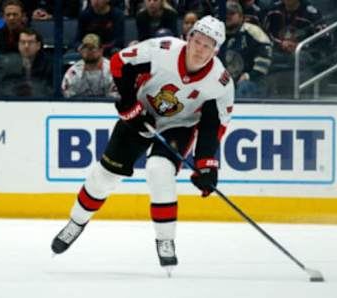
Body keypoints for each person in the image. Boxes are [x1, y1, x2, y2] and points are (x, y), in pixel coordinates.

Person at [51, 16, 234, 274]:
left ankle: (165, 239)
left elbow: (213, 126)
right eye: (197, 40)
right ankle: (76, 222)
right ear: (189, 37)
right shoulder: (163, 50)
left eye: (208, 45)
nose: (199, 49)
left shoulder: (221, 82)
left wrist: (206, 165)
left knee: (159, 170)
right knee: (104, 177)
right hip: (141, 114)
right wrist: (128, 105)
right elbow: (119, 64)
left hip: (179, 125)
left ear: (216, 50)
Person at [263, 0, 329, 97]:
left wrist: (300, 45)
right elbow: (264, 33)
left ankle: (299, 94)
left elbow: (325, 38)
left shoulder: (311, 13)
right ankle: (267, 94)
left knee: (298, 58)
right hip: (277, 50)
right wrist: (280, 43)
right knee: (266, 57)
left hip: (303, 52)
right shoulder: (272, 10)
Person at [224, 1, 272, 98]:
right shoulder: (218, 33)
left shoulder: (252, 31)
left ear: (241, 17)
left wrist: (249, 75)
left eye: (232, 14)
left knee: (244, 87)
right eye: (226, 14)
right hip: (226, 81)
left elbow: (265, 55)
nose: (228, 16)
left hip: (253, 80)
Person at [0, 28, 53, 96]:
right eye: (23, 42)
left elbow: (50, 90)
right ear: (18, 45)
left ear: (38, 46)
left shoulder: (49, 64)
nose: (26, 46)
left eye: (30, 42)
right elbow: (2, 88)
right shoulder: (8, 63)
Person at [62, 33, 118, 98]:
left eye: (92, 48)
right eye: (85, 48)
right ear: (81, 51)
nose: (88, 51)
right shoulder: (74, 72)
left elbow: (115, 98)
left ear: (101, 50)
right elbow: (67, 98)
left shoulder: (112, 70)